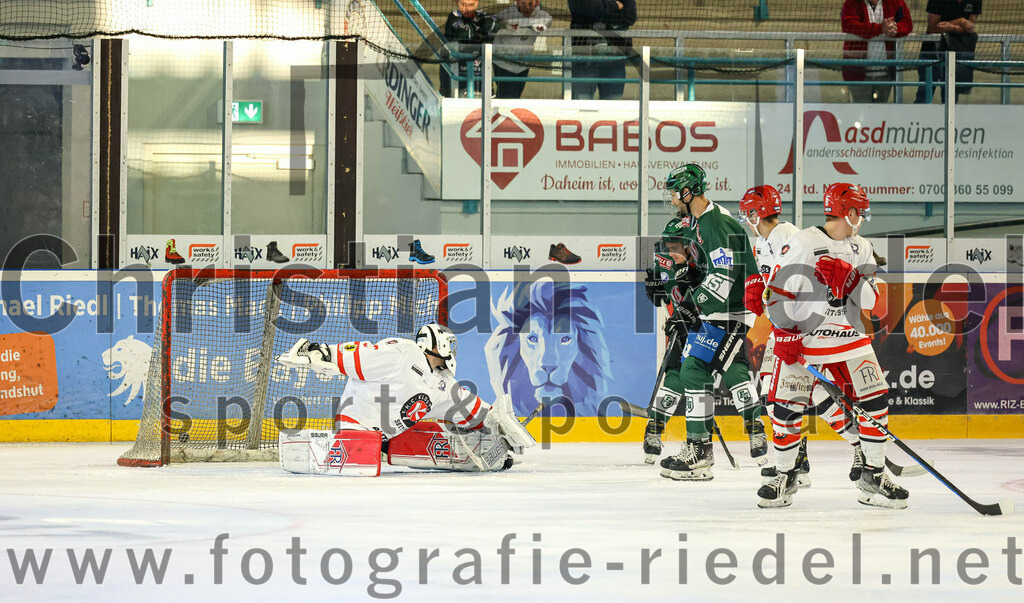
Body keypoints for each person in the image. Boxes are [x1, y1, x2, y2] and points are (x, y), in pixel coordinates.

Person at [760, 183, 908, 509]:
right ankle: (785, 474)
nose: (863, 220)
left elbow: (872, 300)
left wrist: (850, 280)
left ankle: (874, 474)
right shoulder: (804, 243)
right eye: (861, 213)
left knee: (875, 398)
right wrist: (785, 333)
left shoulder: (862, 247)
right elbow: (773, 292)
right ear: (850, 212)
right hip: (807, 339)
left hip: (850, 336)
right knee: (787, 405)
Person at [644, 164, 767, 482]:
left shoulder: (713, 223)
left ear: (688, 192)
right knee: (691, 371)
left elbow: (726, 275)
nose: (671, 197)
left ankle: (702, 451)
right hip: (718, 312)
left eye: (674, 191)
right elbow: (712, 269)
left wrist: (692, 306)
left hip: (729, 313)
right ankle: (699, 451)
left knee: (697, 370)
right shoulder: (702, 223)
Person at [276, 323, 535, 473]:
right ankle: (347, 449)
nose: (452, 350)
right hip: (357, 428)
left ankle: (383, 448)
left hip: (386, 440)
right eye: (449, 344)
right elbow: (361, 354)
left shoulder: (443, 384)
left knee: (428, 433)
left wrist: (499, 435)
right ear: (437, 344)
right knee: (366, 464)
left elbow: (474, 410)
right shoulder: (403, 352)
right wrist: (319, 352)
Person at [739, 185, 866, 489]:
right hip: (784, 328)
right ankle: (810, 455)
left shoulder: (789, 236)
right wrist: (757, 285)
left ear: (757, 213)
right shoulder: (762, 243)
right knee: (791, 393)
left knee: (801, 393)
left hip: (805, 329)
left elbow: (805, 286)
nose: (746, 219)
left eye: (748, 214)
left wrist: (794, 329)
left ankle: (854, 443)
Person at [841, 0, 913, 103]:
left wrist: (894, 28)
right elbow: (849, 25)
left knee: (881, 113)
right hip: (857, 72)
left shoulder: (896, 2)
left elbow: (907, 24)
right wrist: (881, 28)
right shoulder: (851, 3)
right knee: (861, 112)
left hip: (885, 72)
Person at [568, 0, 637, 100]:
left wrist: (598, 12)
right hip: (584, 58)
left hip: (615, 60)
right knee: (581, 107)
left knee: (612, 109)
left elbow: (630, 17)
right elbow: (582, 7)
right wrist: (615, 5)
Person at [916, 0, 982, 103]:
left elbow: (969, 27)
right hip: (932, 53)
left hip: (956, 54)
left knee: (951, 98)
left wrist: (952, 27)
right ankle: (918, 118)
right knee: (924, 96)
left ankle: (949, 119)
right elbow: (933, 28)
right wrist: (960, 22)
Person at [493, 0, 553, 99]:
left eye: (530, 4)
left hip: (523, 65)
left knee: (516, 97)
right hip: (503, 63)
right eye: (523, 3)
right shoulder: (508, 13)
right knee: (506, 97)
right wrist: (505, 24)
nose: (527, 7)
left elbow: (549, 20)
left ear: (537, 2)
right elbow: (492, 19)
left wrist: (541, 26)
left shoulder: (541, 15)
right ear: (517, 2)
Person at [441, 0, 501, 97]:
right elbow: (463, 32)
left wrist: (477, 27)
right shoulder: (454, 16)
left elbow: (495, 25)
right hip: (456, 76)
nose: (467, 9)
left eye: (471, 5)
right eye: (463, 4)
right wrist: (480, 29)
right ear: (457, 2)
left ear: (477, 3)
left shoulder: (482, 15)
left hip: (480, 79)